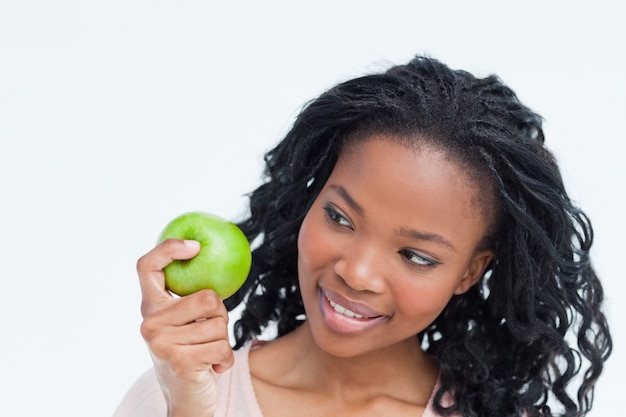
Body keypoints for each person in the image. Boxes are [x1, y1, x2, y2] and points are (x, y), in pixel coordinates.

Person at [114, 56, 612, 417]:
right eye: (341, 218)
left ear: (469, 272)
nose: (356, 272)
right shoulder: (177, 394)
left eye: (416, 255)